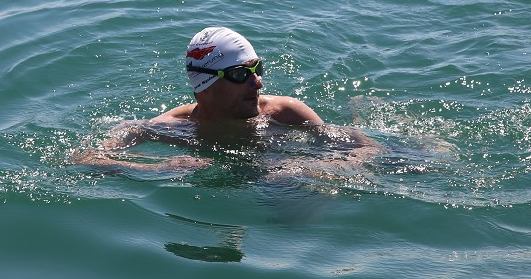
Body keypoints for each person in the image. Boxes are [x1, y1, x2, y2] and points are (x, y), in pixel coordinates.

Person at [72, 26, 378, 171]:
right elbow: (84, 158)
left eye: (257, 68)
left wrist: (302, 169)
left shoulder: (286, 113)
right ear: (205, 86)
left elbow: (367, 148)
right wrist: (158, 168)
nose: (256, 81)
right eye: (239, 74)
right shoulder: (170, 127)